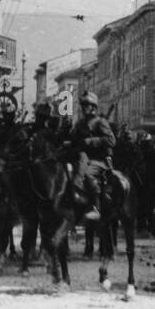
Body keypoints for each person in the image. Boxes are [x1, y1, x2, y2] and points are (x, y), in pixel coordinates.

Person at [64, 90, 112, 222]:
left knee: (88, 174)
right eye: (83, 105)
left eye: (87, 105)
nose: (84, 107)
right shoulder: (80, 124)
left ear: (93, 107)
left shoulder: (100, 122)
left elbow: (111, 140)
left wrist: (90, 141)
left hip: (98, 160)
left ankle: (95, 206)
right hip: (81, 158)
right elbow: (74, 139)